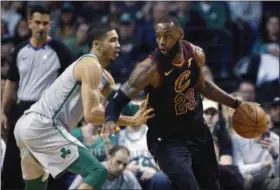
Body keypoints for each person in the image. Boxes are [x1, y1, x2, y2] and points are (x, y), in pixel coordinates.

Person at [104, 16, 257, 189]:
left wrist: (236, 104)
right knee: (188, 184)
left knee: (211, 185)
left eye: (167, 36)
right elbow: (118, 101)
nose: (161, 42)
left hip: (197, 131)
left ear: (180, 35)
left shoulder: (196, 54)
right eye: (158, 36)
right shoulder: (148, 69)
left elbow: (204, 85)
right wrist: (110, 119)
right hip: (167, 139)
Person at [13, 22, 153, 190]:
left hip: (26, 126)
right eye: (113, 40)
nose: (118, 45)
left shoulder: (102, 75)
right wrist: (132, 121)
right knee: (97, 172)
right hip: (44, 125)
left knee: (36, 186)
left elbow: (120, 104)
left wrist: (155, 110)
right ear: (97, 45)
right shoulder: (90, 65)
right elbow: (91, 115)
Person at [1, 6, 75, 189]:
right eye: (37, 23)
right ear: (29, 24)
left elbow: (77, 76)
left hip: (47, 112)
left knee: (50, 167)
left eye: (45, 23)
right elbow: (11, 82)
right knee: (11, 167)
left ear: (50, 25)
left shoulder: (60, 50)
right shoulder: (20, 50)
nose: (41, 27)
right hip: (21, 110)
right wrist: (3, 111)